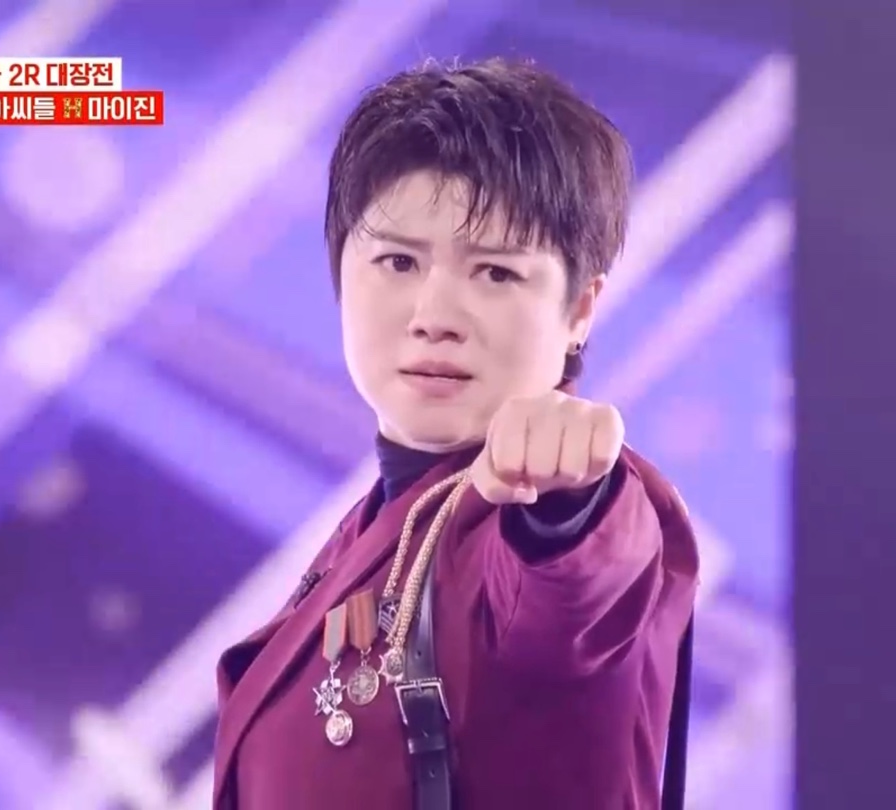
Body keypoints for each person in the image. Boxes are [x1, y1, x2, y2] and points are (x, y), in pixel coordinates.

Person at [212, 56, 699, 810]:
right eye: (398, 261)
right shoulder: (381, 522)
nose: (434, 315)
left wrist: (569, 506)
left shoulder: (566, 507)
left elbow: (575, 597)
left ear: (580, 310)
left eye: (496, 273)